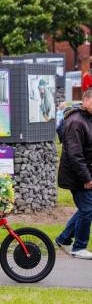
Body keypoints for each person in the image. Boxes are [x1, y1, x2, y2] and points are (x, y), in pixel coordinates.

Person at [55, 90, 92, 260]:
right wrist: (86, 178)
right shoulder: (76, 122)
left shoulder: (86, 118)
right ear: (85, 100)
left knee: (86, 208)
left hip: (84, 172)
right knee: (87, 209)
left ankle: (63, 239)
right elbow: (75, 155)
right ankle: (79, 247)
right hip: (77, 176)